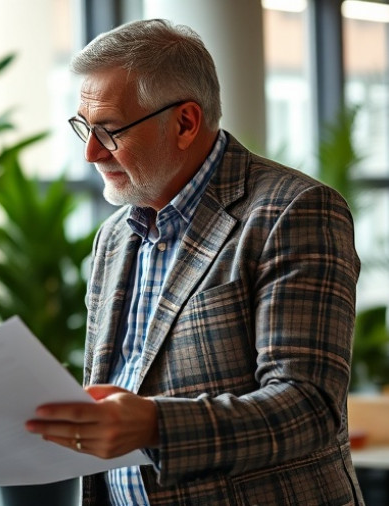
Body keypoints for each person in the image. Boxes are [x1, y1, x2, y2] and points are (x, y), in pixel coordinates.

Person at [25, 18, 363, 504]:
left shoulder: (294, 211)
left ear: (185, 122)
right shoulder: (114, 238)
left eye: (109, 130)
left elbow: (308, 410)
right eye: (84, 128)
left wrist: (154, 424)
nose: (91, 153)